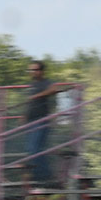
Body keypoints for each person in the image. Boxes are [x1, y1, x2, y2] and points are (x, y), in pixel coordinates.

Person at [23, 60, 65, 189]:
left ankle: (45, 176)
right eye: (31, 70)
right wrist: (24, 115)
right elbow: (31, 103)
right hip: (32, 121)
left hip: (42, 120)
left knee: (35, 149)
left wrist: (37, 96)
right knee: (31, 149)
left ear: (42, 71)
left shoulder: (45, 82)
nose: (33, 72)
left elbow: (54, 89)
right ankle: (39, 176)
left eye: (35, 70)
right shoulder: (33, 84)